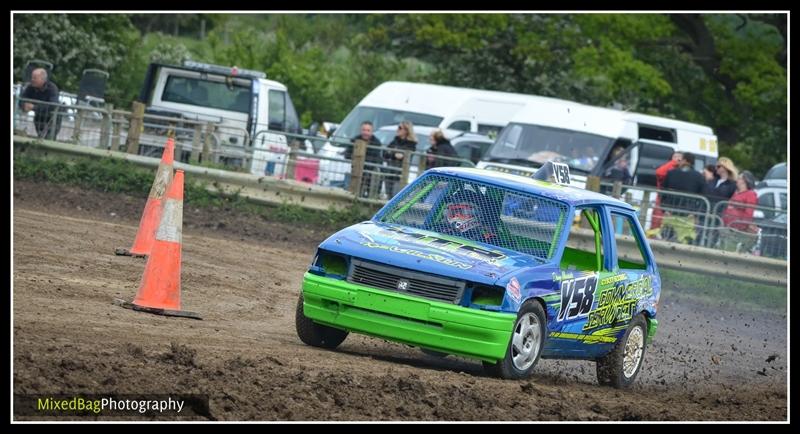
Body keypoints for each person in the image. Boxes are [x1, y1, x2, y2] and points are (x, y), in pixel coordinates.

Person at [660, 152, 707, 244]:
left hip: (670, 212)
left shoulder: (671, 173)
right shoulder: (699, 177)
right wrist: (695, 213)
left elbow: (663, 192)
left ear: (685, 160)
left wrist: (664, 209)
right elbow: (703, 197)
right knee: (684, 242)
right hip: (688, 215)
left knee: (665, 239)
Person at [720, 171, 759, 253]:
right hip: (728, 228)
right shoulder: (737, 193)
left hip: (736, 230)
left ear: (744, 181)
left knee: (729, 251)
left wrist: (740, 226)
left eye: (739, 178)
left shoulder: (750, 194)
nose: (736, 180)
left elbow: (749, 213)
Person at [19, 68, 61, 139]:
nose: (32, 80)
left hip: (53, 119)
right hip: (39, 117)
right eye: (32, 77)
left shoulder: (52, 88)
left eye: (35, 78)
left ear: (42, 79)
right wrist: (24, 105)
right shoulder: (30, 87)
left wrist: (34, 107)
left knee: (50, 138)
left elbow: (52, 106)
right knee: (40, 137)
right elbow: (21, 99)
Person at [345, 121, 383, 196]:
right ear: (360, 130)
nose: (365, 132)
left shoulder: (377, 142)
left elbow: (377, 158)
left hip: (370, 171)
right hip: (356, 170)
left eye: (368, 130)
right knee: (354, 191)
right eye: (364, 130)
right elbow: (347, 154)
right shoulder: (354, 140)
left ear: (372, 132)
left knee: (372, 190)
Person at [382, 121, 418, 197]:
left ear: (406, 130)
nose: (397, 130)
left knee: (396, 195)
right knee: (388, 194)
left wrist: (393, 154)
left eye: (400, 128)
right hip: (390, 170)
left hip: (401, 174)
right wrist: (394, 155)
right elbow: (385, 153)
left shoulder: (411, 144)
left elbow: (405, 156)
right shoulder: (395, 141)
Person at [650, 151, 683, 231]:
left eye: (679, 157)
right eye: (675, 157)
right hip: (662, 201)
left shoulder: (682, 171)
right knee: (656, 224)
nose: (677, 159)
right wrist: (673, 163)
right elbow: (659, 173)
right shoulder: (668, 167)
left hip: (676, 202)